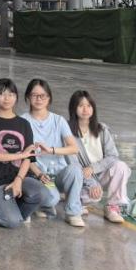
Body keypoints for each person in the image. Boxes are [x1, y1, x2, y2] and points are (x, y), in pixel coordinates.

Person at [0, 78, 47, 228]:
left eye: (11, 94)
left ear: (16, 97)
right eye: (2, 94)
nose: (7, 98)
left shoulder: (24, 124)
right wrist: (21, 155)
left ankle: (7, 206)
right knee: (12, 222)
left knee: (42, 192)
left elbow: (29, 158)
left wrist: (19, 179)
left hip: (18, 175)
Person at [21, 78, 86, 227]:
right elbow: (23, 156)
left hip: (59, 173)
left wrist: (51, 150)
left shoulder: (58, 120)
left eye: (43, 95)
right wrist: (39, 174)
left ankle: (73, 213)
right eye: (34, 95)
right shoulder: (22, 121)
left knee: (75, 169)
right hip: (40, 176)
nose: (39, 99)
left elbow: (74, 148)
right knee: (52, 198)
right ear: (28, 97)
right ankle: (43, 204)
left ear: (49, 98)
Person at [68, 90, 130, 224]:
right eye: (81, 106)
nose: (85, 109)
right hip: (81, 177)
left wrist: (93, 168)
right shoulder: (68, 132)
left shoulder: (101, 129)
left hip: (99, 173)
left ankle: (112, 207)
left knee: (121, 166)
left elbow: (113, 156)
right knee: (93, 196)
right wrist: (92, 184)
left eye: (89, 105)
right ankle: (76, 202)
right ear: (73, 108)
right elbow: (72, 163)